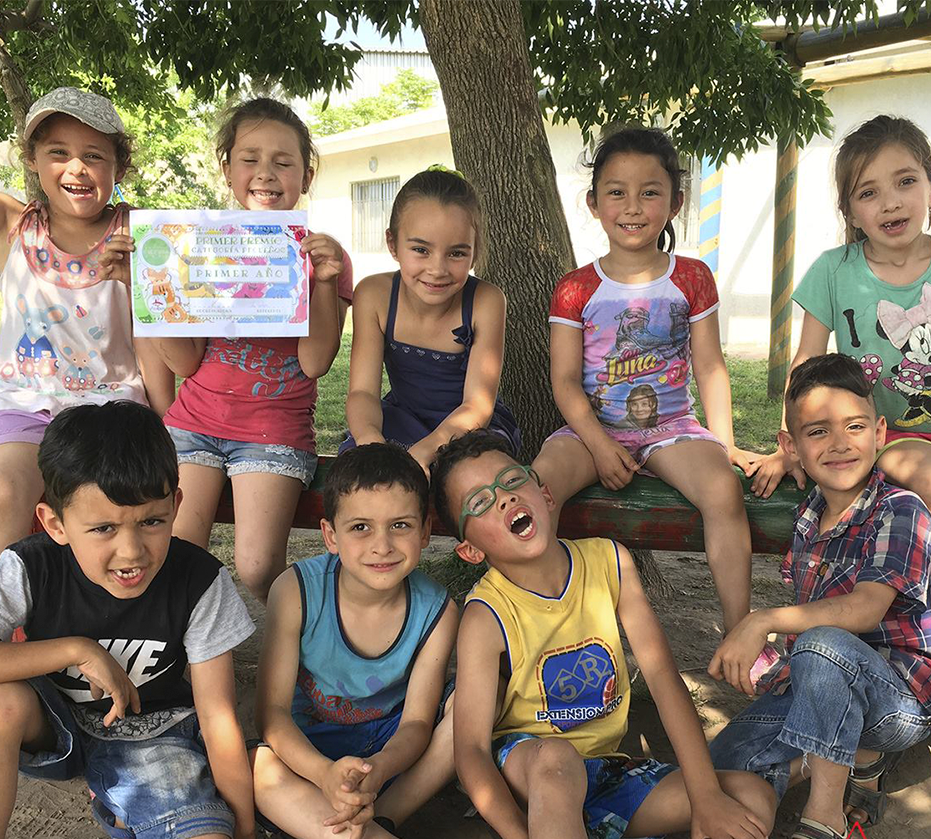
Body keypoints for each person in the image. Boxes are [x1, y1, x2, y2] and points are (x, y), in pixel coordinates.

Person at [433, 429, 777, 839]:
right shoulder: (485, 614)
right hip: (531, 776)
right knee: (557, 761)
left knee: (752, 797)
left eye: (511, 480)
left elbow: (663, 679)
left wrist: (705, 797)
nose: (504, 498)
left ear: (545, 494)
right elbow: (471, 751)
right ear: (470, 551)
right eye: (480, 502)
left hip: (609, 771)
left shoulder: (610, 562)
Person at [123, 98, 353, 603]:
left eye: (283, 162)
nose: (265, 173)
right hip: (194, 423)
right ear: (227, 169)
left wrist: (323, 282)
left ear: (307, 175)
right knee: (173, 560)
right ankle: (187, 647)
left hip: (273, 428)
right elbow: (185, 363)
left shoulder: (324, 255)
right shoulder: (199, 244)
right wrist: (151, 289)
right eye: (250, 159)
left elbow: (315, 362)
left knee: (257, 567)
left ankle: (300, 635)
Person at [533, 127, 758, 634]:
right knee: (538, 487)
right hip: (591, 432)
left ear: (675, 203)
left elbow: (710, 365)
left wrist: (724, 444)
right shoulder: (575, 288)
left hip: (671, 428)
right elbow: (564, 381)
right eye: (617, 192)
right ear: (594, 203)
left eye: (649, 192)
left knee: (724, 490)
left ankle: (741, 634)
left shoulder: (692, 277)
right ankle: (543, 626)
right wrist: (599, 444)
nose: (632, 207)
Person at [0, 400, 256, 839]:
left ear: (175, 505)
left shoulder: (200, 581)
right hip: (53, 727)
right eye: (104, 528)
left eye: (151, 521)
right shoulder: (27, 567)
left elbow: (219, 719)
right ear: (55, 524)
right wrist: (77, 650)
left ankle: (121, 799)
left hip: (155, 736)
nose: (132, 551)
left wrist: (243, 830)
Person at [709, 354, 931, 839]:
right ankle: (837, 761)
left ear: (879, 433)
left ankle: (825, 817)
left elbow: (864, 608)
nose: (839, 444)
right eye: (817, 432)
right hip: (818, 689)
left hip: (896, 703)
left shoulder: (901, 509)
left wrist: (760, 620)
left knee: (822, 642)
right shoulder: (809, 516)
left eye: (855, 427)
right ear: (791, 446)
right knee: (721, 766)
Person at [251, 443, 458, 838]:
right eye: (361, 527)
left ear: (426, 531)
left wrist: (378, 769)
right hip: (309, 751)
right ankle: (356, 825)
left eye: (400, 525)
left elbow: (417, 723)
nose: (382, 546)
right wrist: (324, 774)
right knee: (258, 766)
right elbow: (271, 715)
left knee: (473, 703)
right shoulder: (296, 591)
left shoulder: (439, 611)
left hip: (393, 753)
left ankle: (380, 819)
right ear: (330, 535)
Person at [0, 87, 173, 553]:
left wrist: (166, 422)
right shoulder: (13, 226)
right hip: (25, 404)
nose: (76, 167)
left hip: (111, 409)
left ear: (120, 166)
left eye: (94, 155)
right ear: (31, 159)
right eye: (58, 152)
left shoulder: (142, 236)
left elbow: (155, 337)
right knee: (6, 493)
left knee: (111, 513)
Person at [748, 115, 931, 512]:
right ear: (849, 212)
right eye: (868, 193)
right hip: (887, 436)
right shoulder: (833, 270)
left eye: (906, 181)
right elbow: (806, 361)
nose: (891, 202)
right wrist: (790, 446)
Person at [344, 168, 519, 475]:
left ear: (475, 251)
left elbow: (477, 405)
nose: (437, 269)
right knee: (364, 484)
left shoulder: (486, 301)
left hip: (469, 429)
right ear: (392, 243)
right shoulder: (373, 295)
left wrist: (422, 454)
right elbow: (363, 393)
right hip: (400, 419)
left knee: (470, 482)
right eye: (421, 250)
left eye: (456, 253)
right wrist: (372, 443)